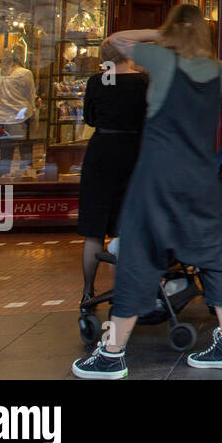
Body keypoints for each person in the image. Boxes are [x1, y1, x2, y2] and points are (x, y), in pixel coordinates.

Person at [72, 5, 222, 379]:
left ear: (173, 32)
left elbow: (113, 42)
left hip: (157, 178)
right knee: (217, 254)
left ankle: (112, 354)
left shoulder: (159, 59)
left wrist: (161, 34)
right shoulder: (221, 71)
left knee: (139, 254)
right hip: (201, 180)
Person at [76, 41, 148, 303]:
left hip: (101, 151)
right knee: (129, 223)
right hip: (132, 151)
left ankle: (87, 291)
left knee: (94, 229)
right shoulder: (142, 81)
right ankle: (131, 290)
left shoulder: (98, 81)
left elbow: (90, 118)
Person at [0, 44, 36, 178]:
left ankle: (2, 178)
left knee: (5, 152)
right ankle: (26, 177)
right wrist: (34, 113)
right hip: (19, 118)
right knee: (25, 151)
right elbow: (30, 96)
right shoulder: (25, 73)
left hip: (0, 119)